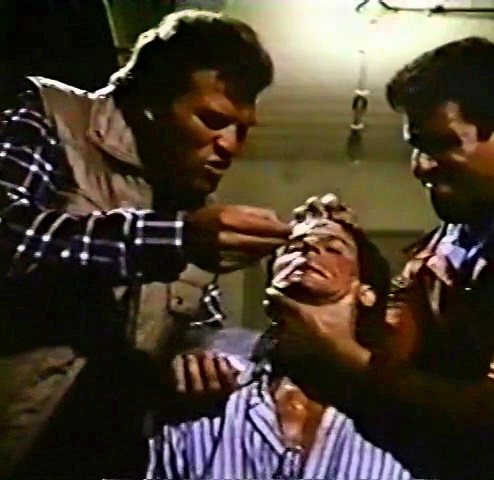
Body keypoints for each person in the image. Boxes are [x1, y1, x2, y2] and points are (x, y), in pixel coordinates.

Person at [264, 37, 494, 479]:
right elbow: (396, 359)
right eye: (416, 146)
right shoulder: (443, 246)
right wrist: (355, 262)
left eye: (442, 144)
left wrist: (353, 369)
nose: (421, 166)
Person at [0, 9, 291, 479]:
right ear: (152, 102)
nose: (230, 146)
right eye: (213, 120)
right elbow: (9, 239)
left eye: (243, 129)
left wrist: (202, 362)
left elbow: (197, 328)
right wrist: (176, 238)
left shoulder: (193, 209)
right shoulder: (51, 115)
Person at [146, 194, 417, 480]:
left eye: (333, 248)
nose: (309, 248)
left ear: (366, 292)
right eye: (293, 246)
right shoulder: (212, 389)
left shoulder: (394, 411)